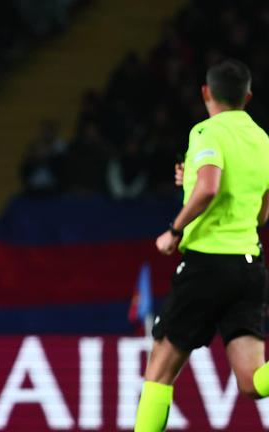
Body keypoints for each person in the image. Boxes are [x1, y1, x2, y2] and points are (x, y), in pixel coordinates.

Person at [134, 59, 269, 431]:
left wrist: (174, 230)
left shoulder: (207, 132)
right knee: (253, 381)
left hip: (207, 265)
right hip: (249, 266)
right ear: (248, 96)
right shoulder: (262, 139)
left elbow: (209, 187)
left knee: (158, 371)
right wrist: (190, 179)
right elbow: (260, 215)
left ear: (206, 93)